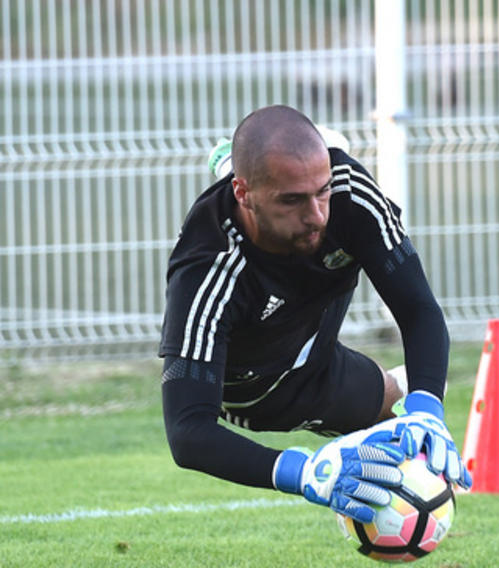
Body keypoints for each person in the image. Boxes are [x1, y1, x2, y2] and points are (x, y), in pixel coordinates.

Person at [159, 105, 471, 523]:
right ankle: (237, 167)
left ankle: (268, 167)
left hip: (318, 329)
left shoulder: (347, 193)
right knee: (389, 400)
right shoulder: (205, 270)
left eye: (320, 191)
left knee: (423, 389)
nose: (316, 215)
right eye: (292, 200)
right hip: (263, 387)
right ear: (243, 194)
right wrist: (304, 471)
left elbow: (418, 309)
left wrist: (428, 410)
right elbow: (188, 432)